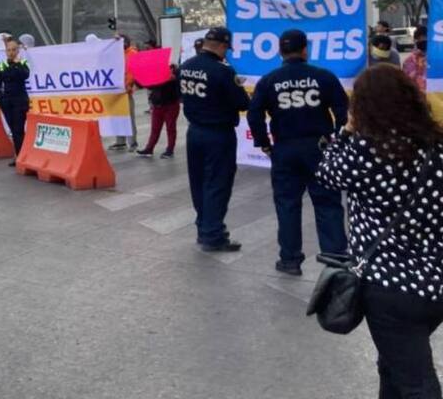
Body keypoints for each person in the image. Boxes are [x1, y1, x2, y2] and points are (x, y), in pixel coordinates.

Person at [316, 65, 443, 398]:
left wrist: (345, 132)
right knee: (394, 364)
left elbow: (327, 173)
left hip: (388, 285)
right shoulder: (437, 146)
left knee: (417, 381)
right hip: (435, 280)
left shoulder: (365, 151)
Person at [247, 29, 349, 276]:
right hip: (319, 148)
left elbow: (254, 114)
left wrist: (264, 143)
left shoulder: (269, 80)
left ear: (280, 52)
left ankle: (290, 260)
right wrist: (337, 137)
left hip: (284, 148)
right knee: (327, 203)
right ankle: (335, 258)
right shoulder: (323, 76)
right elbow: (342, 108)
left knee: (287, 205)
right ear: (305, 50)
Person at [180, 27, 250, 252]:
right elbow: (242, 103)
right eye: (226, 49)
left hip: (194, 132)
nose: (226, 53)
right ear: (221, 46)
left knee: (199, 182)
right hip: (218, 135)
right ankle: (214, 235)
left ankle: (203, 227)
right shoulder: (223, 71)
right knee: (217, 183)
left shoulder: (186, 66)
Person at [0, 38, 30, 167]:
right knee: (13, 130)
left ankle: (21, 156)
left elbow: (24, 75)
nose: (11, 52)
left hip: (20, 100)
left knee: (18, 129)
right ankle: (19, 155)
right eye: (8, 50)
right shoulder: (2, 64)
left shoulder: (23, 62)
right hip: (6, 101)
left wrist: (16, 64)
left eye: (14, 50)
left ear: (18, 50)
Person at [137, 64, 180, 159]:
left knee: (170, 128)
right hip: (158, 104)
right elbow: (148, 86)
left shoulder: (174, 69)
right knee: (155, 129)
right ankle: (149, 148)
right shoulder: (155, 70)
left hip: (171, 104)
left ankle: (170, 150)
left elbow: (180, 82)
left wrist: (175, 78)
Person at [109, 34, 139, 152]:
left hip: (126, 90)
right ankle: (120, 141)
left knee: (129, 118)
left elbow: (133, 72)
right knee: (117, 117)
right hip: (116, 90)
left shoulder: (132, 54)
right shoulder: (117, 53)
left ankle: (133, 142)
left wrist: (129, 84)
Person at [403, 25, 428, 92]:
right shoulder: (410, 60)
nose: (423, 40)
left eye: (426, 37)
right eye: (420, 38)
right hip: (418, 97)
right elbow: (406, 81)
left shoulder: (438, 58)